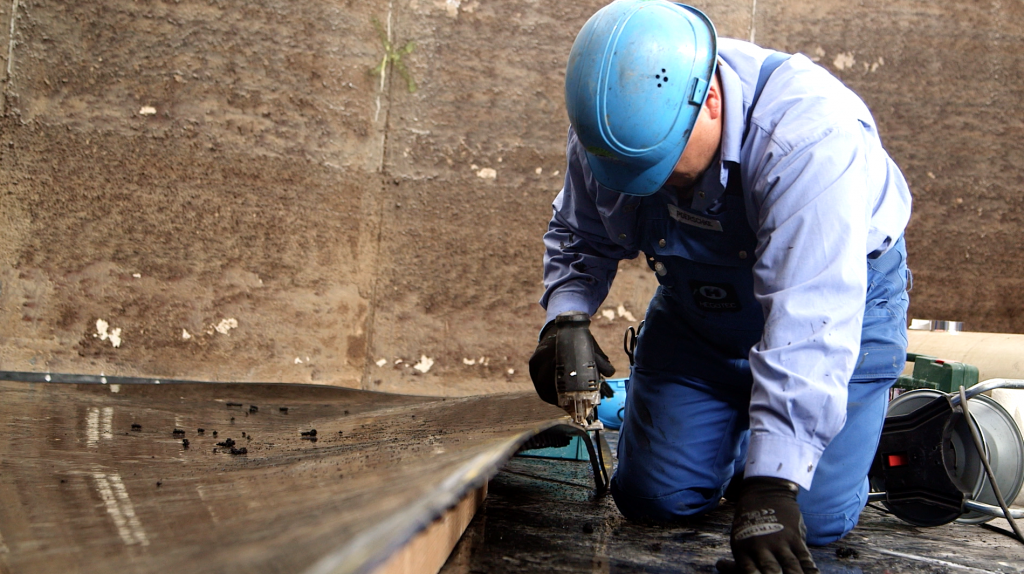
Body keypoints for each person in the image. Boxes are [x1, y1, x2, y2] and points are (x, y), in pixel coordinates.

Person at [528, 1, 912, 573]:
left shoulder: (809, 136)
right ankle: (704, 416)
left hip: (837, 314)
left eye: (664, 169)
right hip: (699, 312)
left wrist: (774, 482)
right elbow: (581, 232)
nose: (655, 189)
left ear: (709, 100)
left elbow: (811, 316)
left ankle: (841, 421)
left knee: (813, 520)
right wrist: (567, 316)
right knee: (652, 501)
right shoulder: (615, 122)